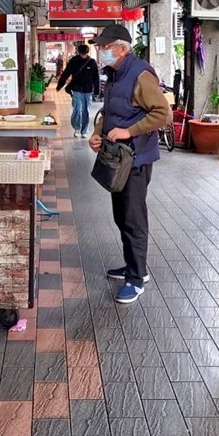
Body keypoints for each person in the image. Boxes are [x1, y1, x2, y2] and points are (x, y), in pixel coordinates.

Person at [88, 24, 172, 304]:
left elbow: (163, 114)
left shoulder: (140, 74)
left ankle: (136, 279)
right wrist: (98, 133)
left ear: (121, 49)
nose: (101, 52)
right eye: (100, 47)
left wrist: (129, 131)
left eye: (105, 47)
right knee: (121, 216)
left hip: (135, 159)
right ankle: (132, 265)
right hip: (118, 158)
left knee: (134, 218)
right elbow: (110, 111)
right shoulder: (114, 74)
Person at [56, 43, 99, 138]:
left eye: (85, 53)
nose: (83, 55)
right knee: (77, 109)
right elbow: (66, 73)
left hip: (88, 90)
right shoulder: (74, 61)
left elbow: (96, 77)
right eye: (82, 53)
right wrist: (60, 85)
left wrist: (96, 91)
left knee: (86, 111)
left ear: (87, 53)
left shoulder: (92, 62)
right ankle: (76, 128)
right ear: (79, 52)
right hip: (76, 89)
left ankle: (84, 130)